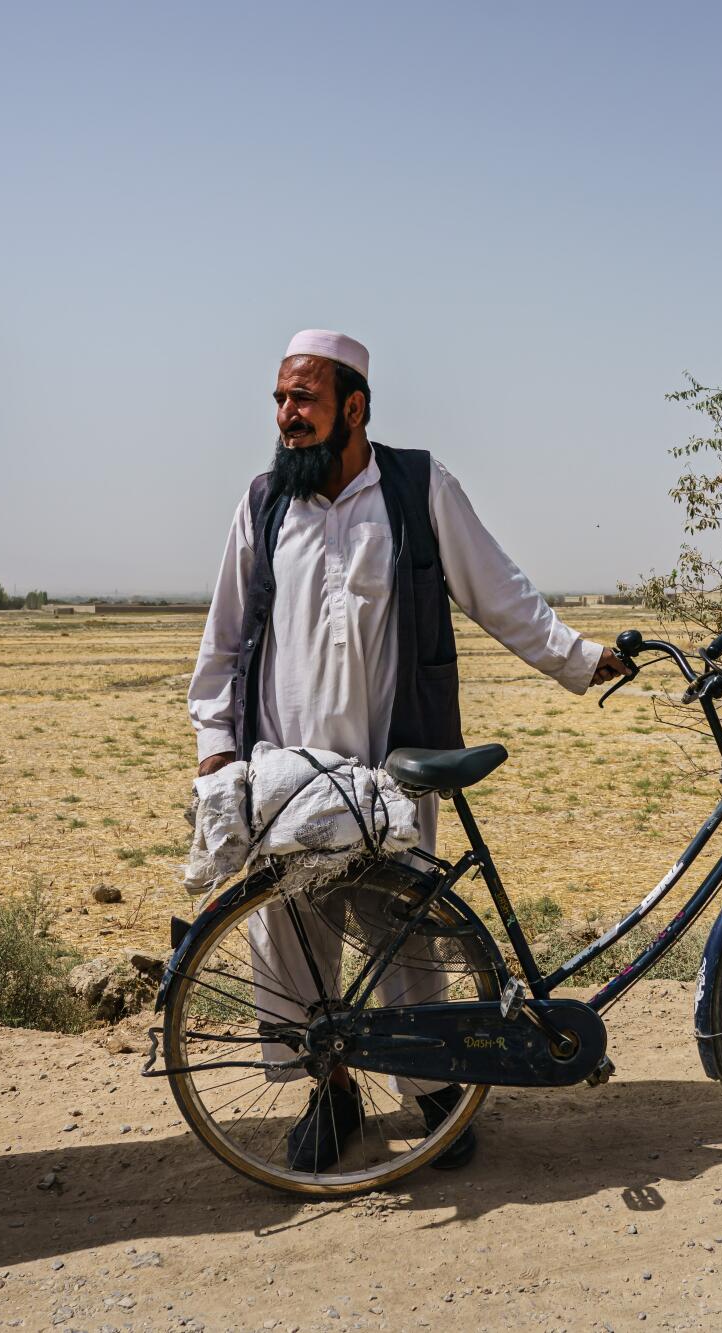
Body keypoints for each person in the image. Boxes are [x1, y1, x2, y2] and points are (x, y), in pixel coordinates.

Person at [188, 329, 626, 1172]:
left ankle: (429, 1089)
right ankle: (331, 1093)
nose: (286, 417)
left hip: (388, 769)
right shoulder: (264, 503)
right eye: (279, 400)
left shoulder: (419, 488)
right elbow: (225, 638)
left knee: (407, 930)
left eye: (302, 400)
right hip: (288, 769)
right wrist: (217, 748)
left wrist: (580, 658)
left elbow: (501, 593)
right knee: (294, 932)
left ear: (354, 407)